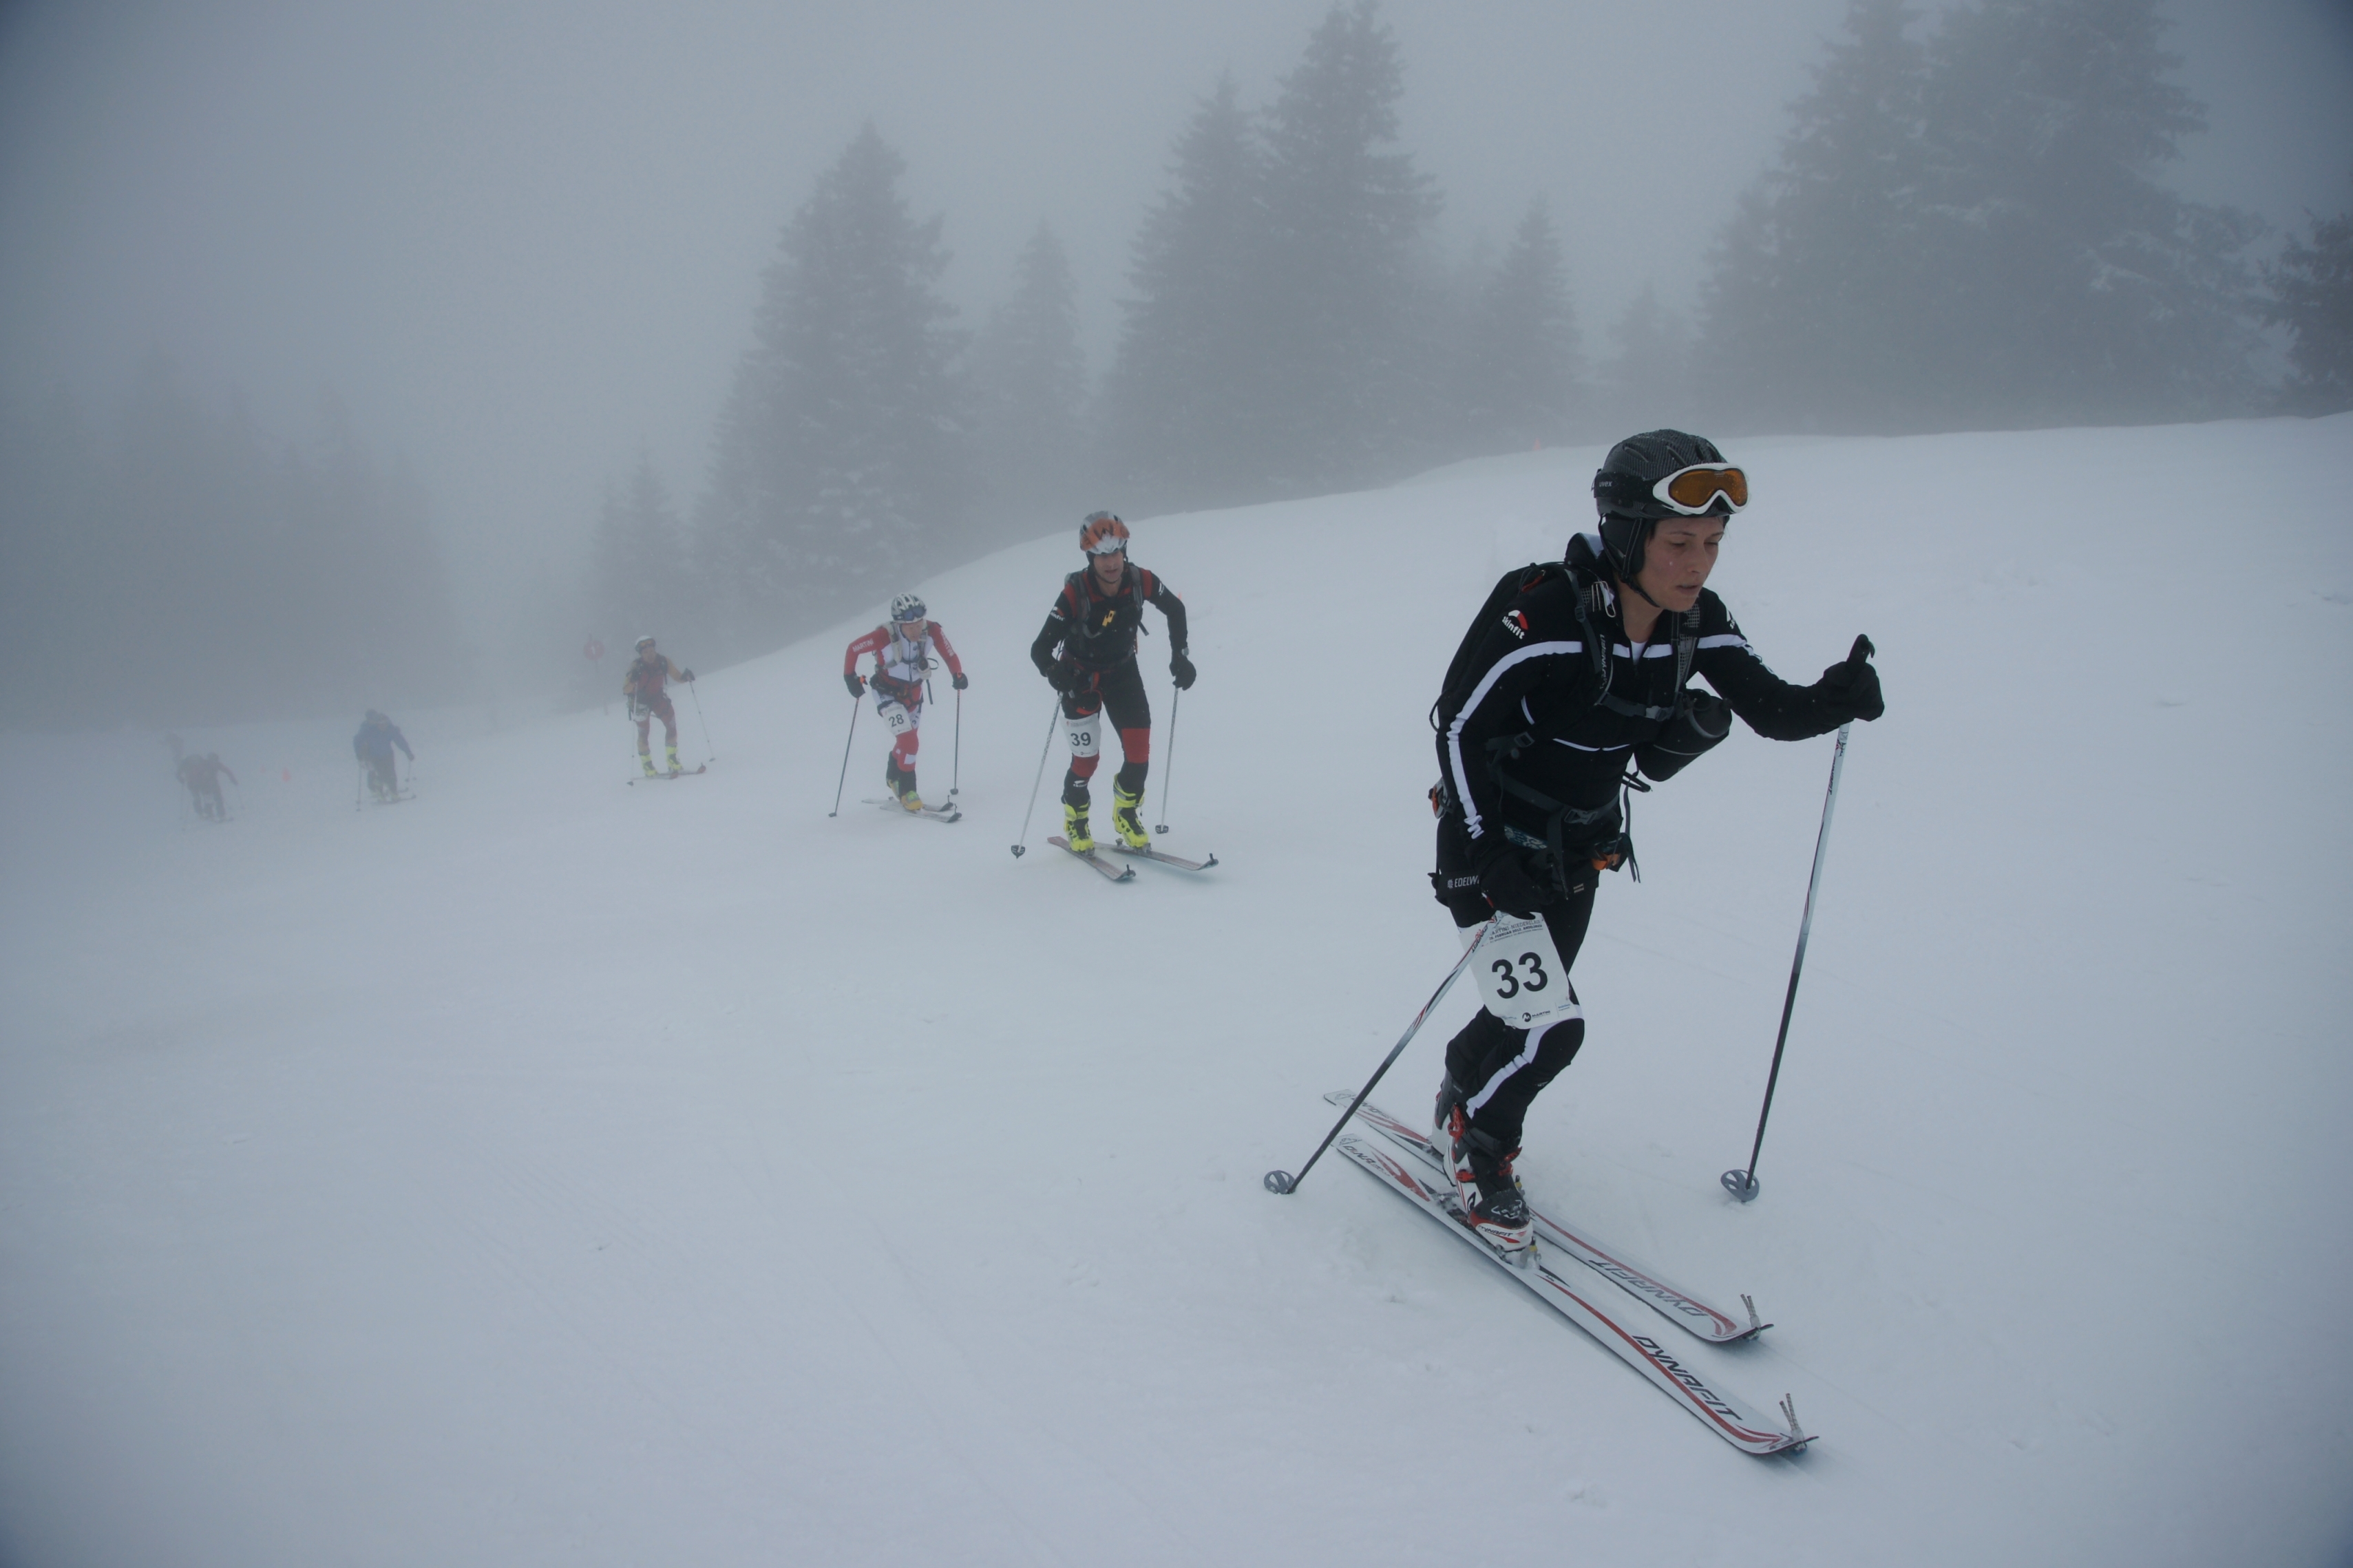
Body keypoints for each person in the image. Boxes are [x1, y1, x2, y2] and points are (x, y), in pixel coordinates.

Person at [1427, 430, 1885, 1251]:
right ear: (1626, 533)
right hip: (1487, 850)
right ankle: (1479, 1143)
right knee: (1552, 1026)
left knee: (1527, 1007)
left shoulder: (1695, 621)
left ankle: (1462, 1088)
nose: (1696, 564)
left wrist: (1833, 698)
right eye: (1679, 542)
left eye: (1712, 543)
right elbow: (1458, 728)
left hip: (1575, 853)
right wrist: (1485, 853)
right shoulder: (1546, 613)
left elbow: (1770, 709)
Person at [1028, 512, 1194, 852]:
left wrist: (1180, 655)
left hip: (1123, 675)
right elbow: (1040, 648)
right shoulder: (1075, 592)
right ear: (1090, 558)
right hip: (1081, 682)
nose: (1111, 563)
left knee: (1139, 754)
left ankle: (1126, 813)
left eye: (1116, 552)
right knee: (1087, 761)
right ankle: (1076, 819)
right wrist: (1054, 672)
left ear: (1124, 551)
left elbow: (1175, 609)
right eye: (1102, 556)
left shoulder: (1139, 580)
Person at [843, 594, 967, 811]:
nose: (916, 630)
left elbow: (949, 655)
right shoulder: (883, 636)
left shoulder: (932, 630)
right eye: (910, 627)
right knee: (910, 742)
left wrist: (958, 674)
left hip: (914, 694)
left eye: (919, 624)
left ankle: (893, 777)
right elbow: (853, 648)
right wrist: (850, 677)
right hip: (887, 693)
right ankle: (908, 792)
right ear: (899, 624)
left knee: (907, 742)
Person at [622, 635, 695, 777]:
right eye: (646, 652)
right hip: (641, 702)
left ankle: (672, 759)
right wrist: (633, 679)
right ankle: (647, 765)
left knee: (671, 726)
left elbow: (676, 676)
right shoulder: (636, 666)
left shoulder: (663, 661)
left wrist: (685, 677)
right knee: (644, 734)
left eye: (651, 651)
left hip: (658, 698)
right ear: (641, 654)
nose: (649, 654)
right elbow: (626, 689)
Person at [352, 710, 413, 802]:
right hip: (375, 756)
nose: (383, 726)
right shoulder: (369, 731)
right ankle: (379, 792)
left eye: (385, 724)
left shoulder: (390, 730)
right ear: (377, 724)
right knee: (382, 775)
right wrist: (359, 754)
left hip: (388, 755)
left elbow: (400, 741)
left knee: (392, 774)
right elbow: (357, 740)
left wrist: (408, 752)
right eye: (381, 724)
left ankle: (394, 793)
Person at [178, 749, 238, 821]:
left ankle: (211, 814)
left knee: (212, 799)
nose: (213, 762)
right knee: (213, 799)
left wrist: (190, 781)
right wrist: (233, 779)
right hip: (206, 784)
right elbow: (226, 771)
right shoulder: (209, 765)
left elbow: (226, 771)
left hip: (206, 784)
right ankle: (216, 815)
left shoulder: (205, 764)